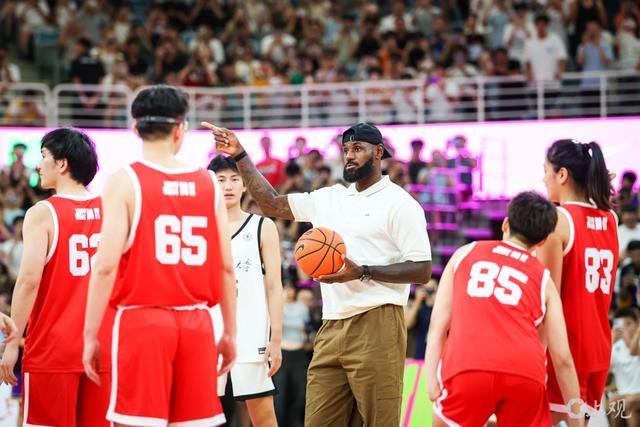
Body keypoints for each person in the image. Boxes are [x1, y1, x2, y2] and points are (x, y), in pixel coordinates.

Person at [205, 121, 432, 427]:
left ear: (379, 152)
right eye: (346, 149)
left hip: (377, 321)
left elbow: (422, 269)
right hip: (331, 324)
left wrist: (363, 271)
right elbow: (270, 203)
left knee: (380, 421)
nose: (349, 155)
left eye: (358, 149)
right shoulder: (329, 198)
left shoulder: (400, 204)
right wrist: (241, 155)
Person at [82, 86, 237, 426]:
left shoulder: (125, 180)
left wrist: (90, 334)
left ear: (135, 129)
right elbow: (226, 267)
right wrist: (229, 331)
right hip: (198, 323)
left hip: (143, 322)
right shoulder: (209, 183)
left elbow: (105, 267)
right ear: (180, 129)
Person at [425, 191, 584, 426]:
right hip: (526, 373)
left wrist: (431, 380)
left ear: (505, 223)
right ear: (542, 241)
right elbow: (562, 358)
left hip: (469, 365)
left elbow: (439, 323)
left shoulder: (465, 253)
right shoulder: (544, 279)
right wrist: (577, 419)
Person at [0, 128, 114, 426]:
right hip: (102, 348)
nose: (38, 165)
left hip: (53, 348)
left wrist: (12, 343)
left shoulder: (43, 213)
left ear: (62, 164)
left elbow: (29, 281)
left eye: (43, 156)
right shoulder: (111, 209)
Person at [537, 139, 619, 420]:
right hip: (598, 350)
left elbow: (547, 303)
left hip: (564, 353)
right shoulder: (611, 218)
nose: (543, 178)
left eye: (546, 170)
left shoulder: (557, 219)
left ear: (562, 174)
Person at [208, 155, 283, 427]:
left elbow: (274, 286)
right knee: (200, 417)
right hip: (208, 333)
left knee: (263, 417)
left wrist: (276, 339)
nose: (227, 186)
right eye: (220, 180)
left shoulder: (263, 227)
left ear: (244, 185)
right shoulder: (198, 227)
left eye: (234, 179)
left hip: (251, 334)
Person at [273, 285, 309, 427]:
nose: (289, 291)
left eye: (291, 288)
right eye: (285, 288)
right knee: (280, 396)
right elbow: (276, 324)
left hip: (299, 354)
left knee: (300, 394)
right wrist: (280, 301)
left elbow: (306, 326)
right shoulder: (277, 307)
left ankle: (295, 423)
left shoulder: (302, 307)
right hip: (283, 354)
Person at [608, 308, 640, 426]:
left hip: (636, 394)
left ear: (637, 324)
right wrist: (609, 343)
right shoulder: (615, 346)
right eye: (621, 324)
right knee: (613, 401)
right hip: (624, 394)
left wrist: (629, 337)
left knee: (629, 402)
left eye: (628, 323)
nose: (624, 328)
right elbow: (606, 376)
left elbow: (633, 352)